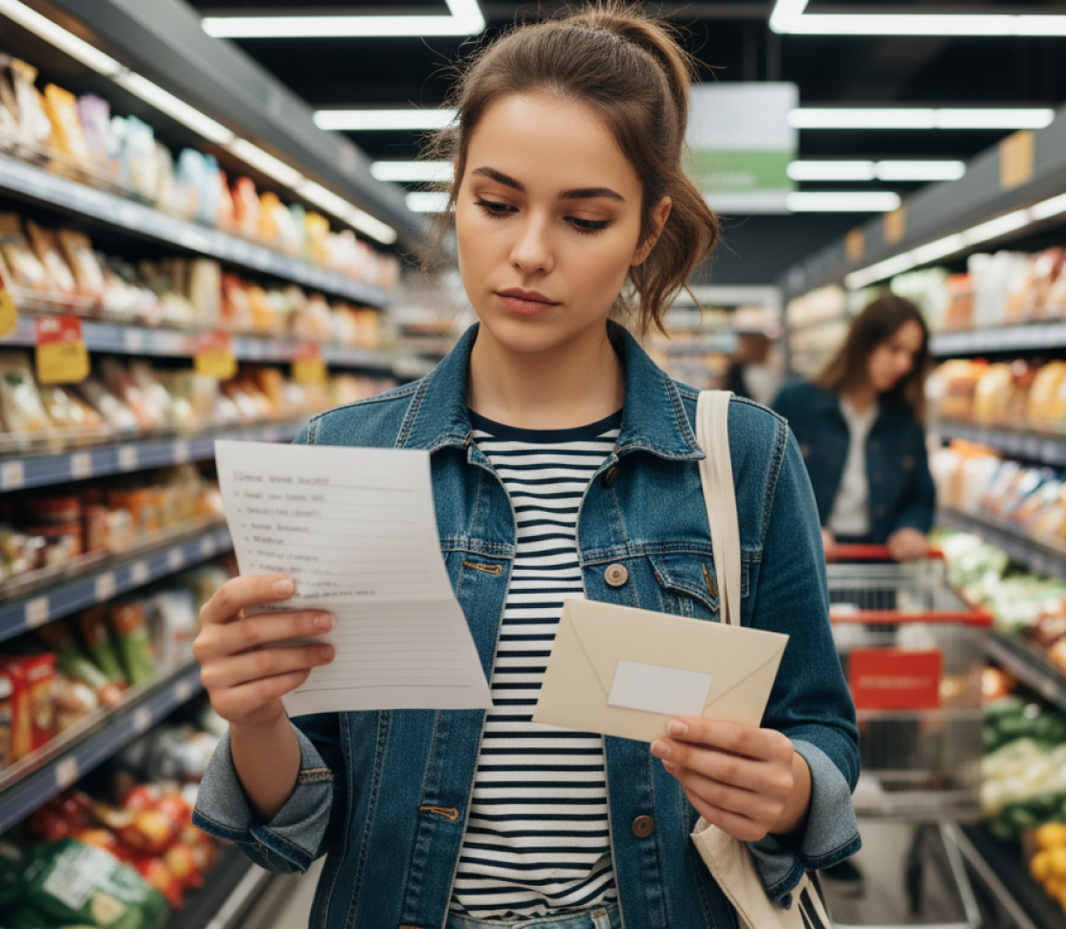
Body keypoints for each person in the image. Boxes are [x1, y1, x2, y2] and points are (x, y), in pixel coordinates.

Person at [190, 5, 860, 928]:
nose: (531, 252)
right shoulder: (342, 458)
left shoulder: (744, 456)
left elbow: (819, 725)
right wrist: (256, 716)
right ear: (455, 196)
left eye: (585, 218)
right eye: (497, 204)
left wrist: (787, 789)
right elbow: (304, 809)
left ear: (647, 229)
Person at [772, 293, 935, 562]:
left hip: (877, 561)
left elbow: (920, 495)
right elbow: (763, 486)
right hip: (804, 561)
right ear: (863, 343)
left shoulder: (905, 419)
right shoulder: (795, 403)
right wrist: (802, 530)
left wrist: (912, 528)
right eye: (894, 349)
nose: (905, 365)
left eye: (912, 355)